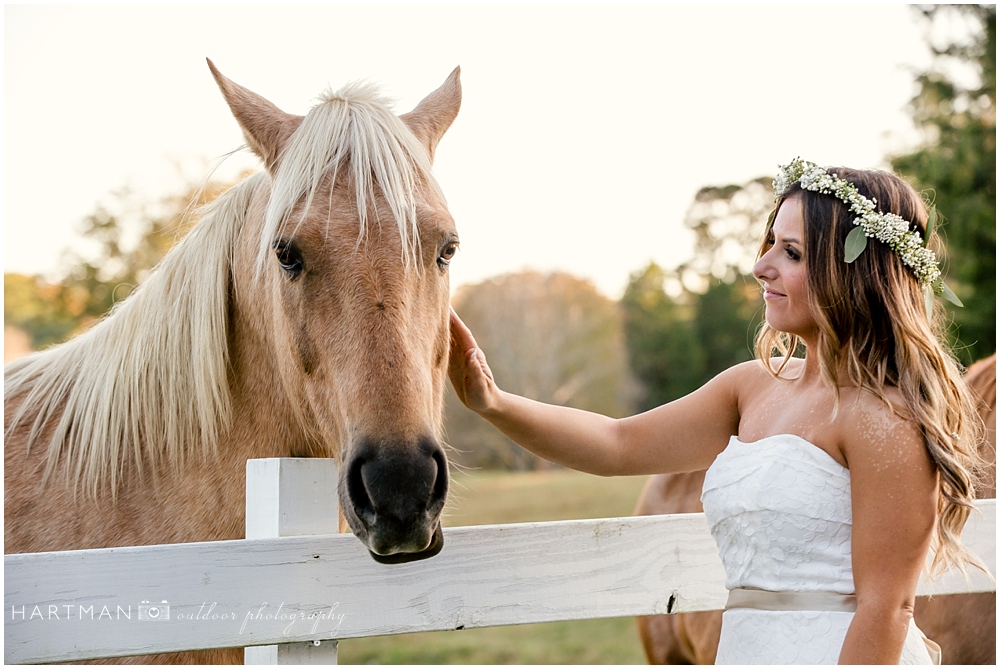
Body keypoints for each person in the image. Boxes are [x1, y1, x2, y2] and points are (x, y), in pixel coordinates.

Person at [448, 159, 986, 665]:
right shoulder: (749, 388)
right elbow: (617, 443)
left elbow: (886, 608)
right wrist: (492, 402)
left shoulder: (883, 417)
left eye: (791, 253)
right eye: (770, 244)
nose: (761, 266)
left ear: (854, 272)